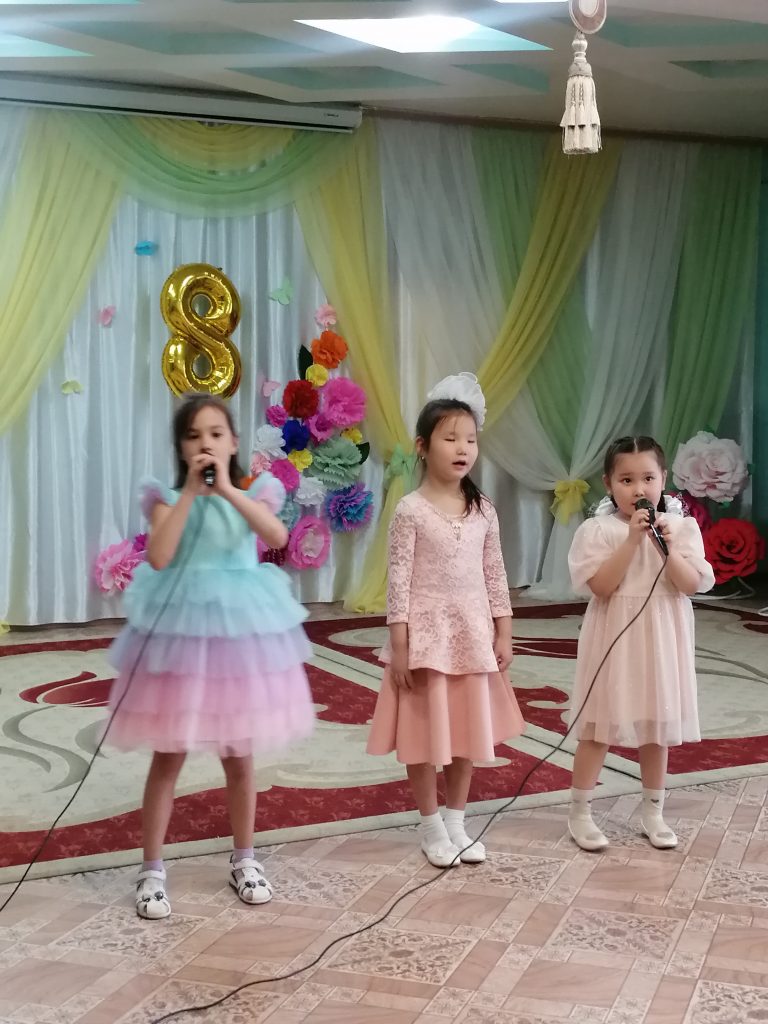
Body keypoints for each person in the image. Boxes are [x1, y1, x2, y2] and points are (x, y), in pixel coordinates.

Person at [107, 393, 314, 918]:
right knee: (168, 754)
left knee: (239, 755)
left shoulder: (253, 492)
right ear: (181, 447)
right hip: (181, 638)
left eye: (216, 434)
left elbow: (275, 534)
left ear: (234, 443)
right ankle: (152, 869)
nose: (206, 444)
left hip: (236, 641)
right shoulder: (165, 498)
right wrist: (191, 497)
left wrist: (224, 489)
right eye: (195, 435)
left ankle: (244, 858)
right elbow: (159, 555)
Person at [367, 373, 525, 867]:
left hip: (472, 636)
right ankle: (430, 825)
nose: (462, 449)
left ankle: (457, 820)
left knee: (465, 731)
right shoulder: (410, 511)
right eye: (451, 438)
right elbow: (398, 583)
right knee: (423, 734)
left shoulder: (484, 509)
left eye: (470, 440)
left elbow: (495, 573)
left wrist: (504, 631)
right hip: (425, 640)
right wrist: (400, 646)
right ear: (423, 446)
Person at [567, 435, 715, 852]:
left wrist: (664, 548)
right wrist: (632, 540)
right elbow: (601, 586)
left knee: (656, 723)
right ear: (608, 483)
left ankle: (653, 811)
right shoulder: (598, 530)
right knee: (598, 723)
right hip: (614, 636)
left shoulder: (680, 528)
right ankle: (580, 812)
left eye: (648, 478)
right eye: (626, 480)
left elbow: (690, 585)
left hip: (661, 636)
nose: (638, 489)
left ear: (663, 479)